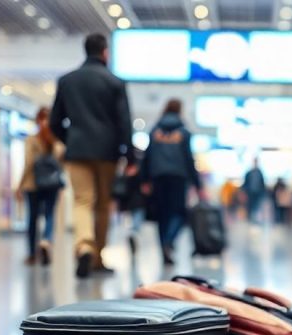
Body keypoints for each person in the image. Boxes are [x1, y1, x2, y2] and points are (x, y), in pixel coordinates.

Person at [50, 33, 136, 278]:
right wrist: (129, 157)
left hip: (77, 151)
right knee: (102, 204)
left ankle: (84, 246)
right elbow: (124, 123)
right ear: (105, 52)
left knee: (82, 201)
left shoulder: (67, 81)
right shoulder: (115, 83)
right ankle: (97, 257)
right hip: (107, 152)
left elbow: (55, 121)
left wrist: (71, 140)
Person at [138, 99, 204, 266]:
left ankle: (163, 247)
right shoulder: (184, 132)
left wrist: (144, 179)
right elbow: (189, 159)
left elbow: (147, 156)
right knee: (179, 214)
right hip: (178, 177)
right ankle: (169, 240)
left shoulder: (154, 131)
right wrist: (198, 185)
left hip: (157, 177)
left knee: (161, 214)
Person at [16, 107, 62, 266]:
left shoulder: (32, 140)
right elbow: (61, 164)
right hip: (53, 184)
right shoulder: (56, 142)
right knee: (49, 214)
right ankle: (46, 240)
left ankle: (31, 254)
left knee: (32, 219)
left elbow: (28, 163)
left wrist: (19, 185)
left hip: (33, 184)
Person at [242, 159, 267, 225]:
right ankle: (250, 220)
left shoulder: (260, 172)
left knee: (257, 206)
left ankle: (256, 220)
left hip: (258, 193)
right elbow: (245, 183)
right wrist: (244, 192)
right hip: (250, 193)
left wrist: (263, 193)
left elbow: (262, 183)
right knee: (250, 207)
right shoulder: (249, 172)